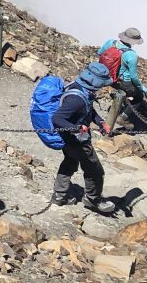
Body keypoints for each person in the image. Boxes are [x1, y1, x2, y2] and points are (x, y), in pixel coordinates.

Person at [51, 61, 117, 214]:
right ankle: (93, 200)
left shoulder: (79, 88)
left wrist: (100, 122)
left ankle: (59, 195)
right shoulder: (77, 99)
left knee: (70, 161)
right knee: (95, 170)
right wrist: (77, 128)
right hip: (77, 139)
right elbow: (57, 119)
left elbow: (88, 110)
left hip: (68, 138)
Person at [98, 28, 147, 131]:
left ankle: (118, 106)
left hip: (107, 77)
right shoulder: (132, 55)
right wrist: (141, 88)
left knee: (127, 93)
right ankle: (123, 117)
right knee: (139, 97)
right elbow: (133, 76)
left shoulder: (110, 42)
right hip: (122, 82)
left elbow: (100, 53)